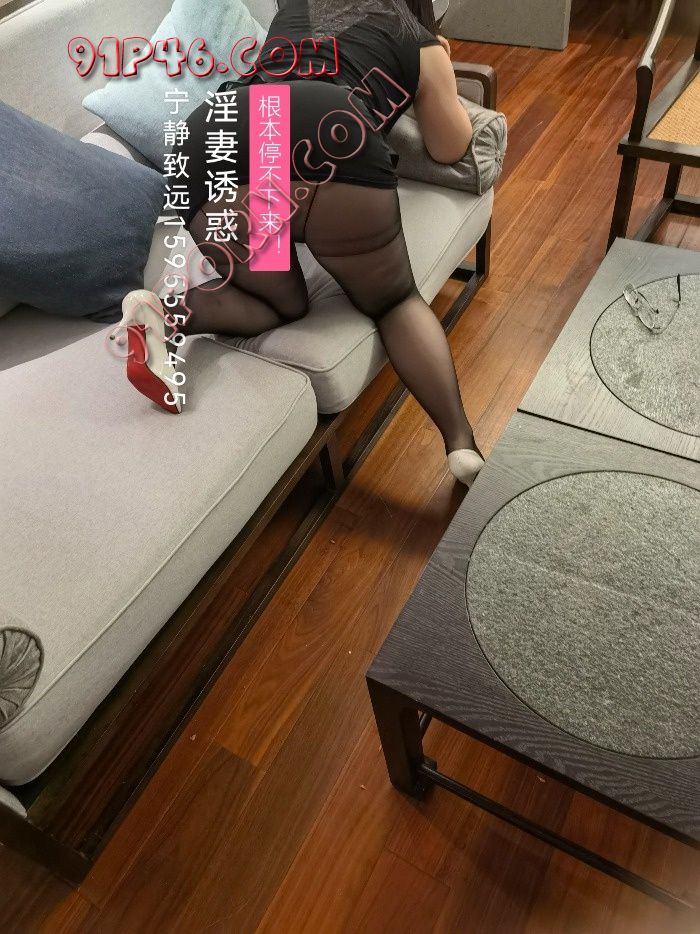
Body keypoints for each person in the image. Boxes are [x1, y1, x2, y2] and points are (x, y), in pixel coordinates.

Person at [117, 0, 484, 486]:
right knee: (394, 301)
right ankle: (461, 445)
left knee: (284, 304)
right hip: (327, 123)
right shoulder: (415, 34)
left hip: (216, 133)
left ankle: (166, 313)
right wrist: (439, 64)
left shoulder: (294, 10)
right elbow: (450, 147)